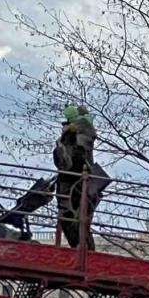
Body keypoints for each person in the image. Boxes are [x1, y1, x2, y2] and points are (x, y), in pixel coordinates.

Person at [54, 103, 99, 250]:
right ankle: (84, 251)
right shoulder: (84, 133)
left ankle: (84, 253)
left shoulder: (77, 135)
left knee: (72, 219)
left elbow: (68, 163)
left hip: (72, 185)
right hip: (77, 184)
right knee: (78, 221)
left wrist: (60, 147)